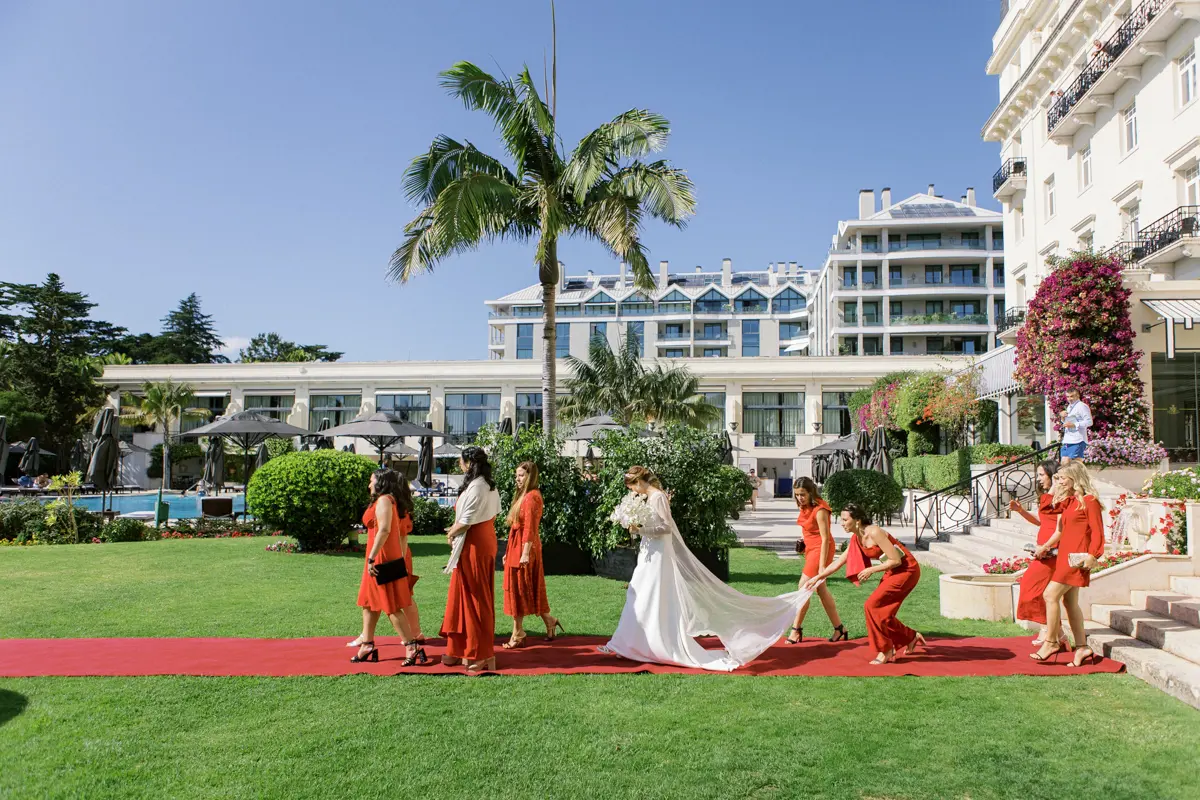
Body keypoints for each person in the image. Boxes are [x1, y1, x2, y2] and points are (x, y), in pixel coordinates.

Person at [599, 466, 814, 672]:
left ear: (638, 481)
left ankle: (649, 644)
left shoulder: (657, 497)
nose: (631, 490)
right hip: (649, 551)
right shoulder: (648, 497)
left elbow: (665, 527)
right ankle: (628, 643)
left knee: (650, 596)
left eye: (631, 485)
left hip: (658, 553)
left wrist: (640, 528)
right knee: (639, 593)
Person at [805, 503, 923, 665]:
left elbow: (896, 560)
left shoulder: (874, 532)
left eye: (845, 520)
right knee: (882, 613)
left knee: (872, 606)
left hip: (907, 570)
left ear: (857, 520)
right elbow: (838, 562)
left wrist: (871, 570)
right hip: (892, 571)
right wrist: (817, 577)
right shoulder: (856, 539)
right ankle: (910, 637)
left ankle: (886, 650)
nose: (842, 523)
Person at [350, 468, 426, 667]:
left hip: (381, 558)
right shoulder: (384, 500)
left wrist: (372, 557)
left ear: (380, 482)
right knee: (368, 603)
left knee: (390, 605)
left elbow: (384, 530)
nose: (369, 484)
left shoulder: (385, 500)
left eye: (371, 480)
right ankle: (367, 644)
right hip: (379, 556)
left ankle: (411, 645)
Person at [1031, 462, 1105, 666]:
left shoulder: (1089, 501)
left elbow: (1098, 531)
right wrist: (1045, 546)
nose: (1059, 481)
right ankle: (1082, 648)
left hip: (1077, 559)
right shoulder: (1070, 501)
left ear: (1075, 477)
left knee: (1049, 595)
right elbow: (1047, 510)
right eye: (1057, 478)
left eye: (1063, 477)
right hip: (1065, 556)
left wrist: (1094, 555)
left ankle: (1051, 642)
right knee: (1069, 603)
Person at [441, 446, 500, 674]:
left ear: (469, 463)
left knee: (476, 599)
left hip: (476, 543)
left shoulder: (479, 486)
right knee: (462, 596)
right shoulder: (485, 485)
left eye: (461, 461)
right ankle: (460, 648)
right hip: (476, 541)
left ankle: (483, 653)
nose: (459, 465)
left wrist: (451, 533)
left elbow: (466, 521)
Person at [502, 461, 562, 648]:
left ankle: (517, 634)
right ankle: (549, 621)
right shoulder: (525, 496)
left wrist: (525, 553)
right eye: (516, 475)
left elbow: (530, 528)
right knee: (524, 589)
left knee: (520, 590)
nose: (517, 479)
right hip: (517, 546)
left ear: (530, 476)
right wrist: (508, 551)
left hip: (524, 547)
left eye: (521, 475)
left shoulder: (532, 497)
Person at [1009, 460, 1067, 647]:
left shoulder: (1060, 497)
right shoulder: (1047, 497)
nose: (1038, 478)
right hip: (1044, 548)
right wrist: (1020, 511)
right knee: (1040, 591)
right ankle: (1057, 632)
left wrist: (1047, 547)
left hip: (1052, 551)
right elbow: (1041, 521)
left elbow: (1060, 527)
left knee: (1031, 588)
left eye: (1042, 474)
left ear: (1053, 475)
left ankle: (1049, 630)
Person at [785, 478, 847, 644]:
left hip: (822, 549)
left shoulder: (820, 509)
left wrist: (821, 566)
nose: (800, 498)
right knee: (821, 590)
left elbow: (825, 538)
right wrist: (802, 541)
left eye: (803, 494)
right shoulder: (804, 506)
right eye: (797, 495)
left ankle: (796, 630)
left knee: (804, 587)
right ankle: (839, 628)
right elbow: (807, 528)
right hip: (810, 548)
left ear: (811, 492)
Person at [1058, 389, 1092, 464]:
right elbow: (1068, 422)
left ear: (1077, 396)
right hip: (1068, 439)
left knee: (1075, 465)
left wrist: (1074, 425)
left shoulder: (1082, 406)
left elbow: (1089, 422)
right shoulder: (1069, 407)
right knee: (1064, 463)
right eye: (1068, 397)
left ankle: (1081, 476)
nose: (1070, 399)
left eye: (1072, 396)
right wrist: (1063, 417)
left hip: (1078, 440)